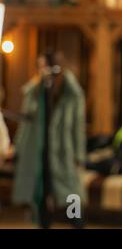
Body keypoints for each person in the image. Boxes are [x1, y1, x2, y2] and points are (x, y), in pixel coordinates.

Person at [12, 52, 86, 228]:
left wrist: (79, 155)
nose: (42, 70)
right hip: (39, 154)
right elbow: (26, 122)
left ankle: (78, 224)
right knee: (41, 197)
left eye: (45, 66)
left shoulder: (71, 92)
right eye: (39, 67)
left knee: (71, 197)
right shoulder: (35, 91)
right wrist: (17, 148)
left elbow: (77, 127)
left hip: (63, 152)